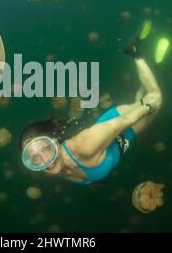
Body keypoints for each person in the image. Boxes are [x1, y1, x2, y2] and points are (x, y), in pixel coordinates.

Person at [19, 21, 162, 185]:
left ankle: (134, 52)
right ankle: (149, 72)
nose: (44, 159)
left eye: (45, 147)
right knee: (141, 99)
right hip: (121, 140)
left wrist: (148, 106)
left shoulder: (83, 147)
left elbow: (124, 121)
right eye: (34, 157)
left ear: (54, 140)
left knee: (156, 97)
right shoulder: (52, 168)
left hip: (121, 122)